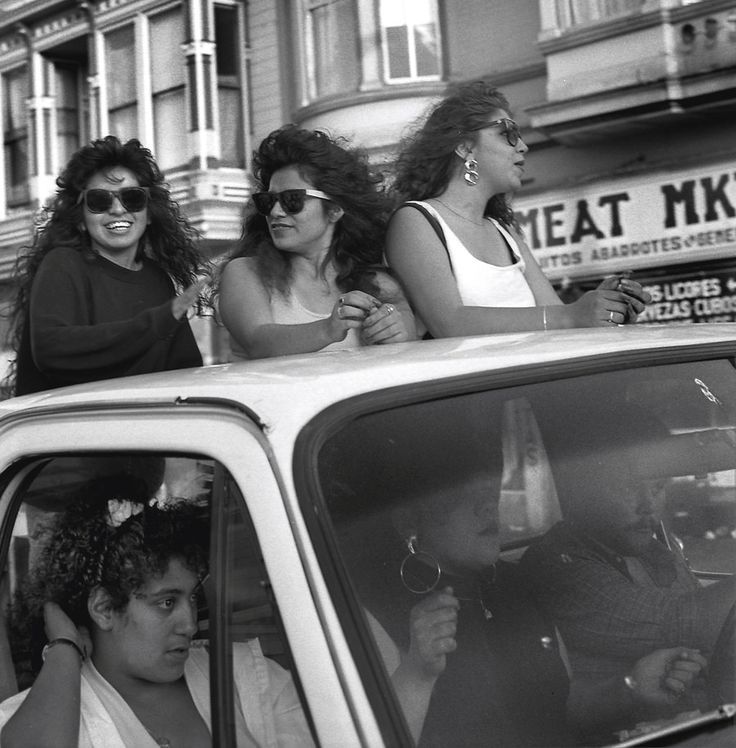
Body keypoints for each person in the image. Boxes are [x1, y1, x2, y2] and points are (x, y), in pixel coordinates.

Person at [323, 401, 705, 747]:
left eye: (491, 491)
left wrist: (629, 689)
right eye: (466, 496)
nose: (490, 508)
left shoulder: (515, 584)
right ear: (409, 519)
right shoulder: (370, 612)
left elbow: (558, 707)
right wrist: (416, 674)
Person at [0, 476, 313, 747]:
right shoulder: (50, 716)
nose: (190, 625)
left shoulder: (246, 679)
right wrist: (63, 650)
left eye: (192, 598)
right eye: (167, 602)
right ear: (104, 608)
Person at [385, 80, 651, 338]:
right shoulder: (416, 220)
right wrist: (572, 315)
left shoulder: (505, 231)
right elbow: (450, 322)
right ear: (465, 147)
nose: (523, 145)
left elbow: (557, 317)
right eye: (508, 134)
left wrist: (601, 307)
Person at [519, 410, 736, 701]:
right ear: (584, 489)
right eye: (627, 487)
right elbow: (684, 621)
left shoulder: (652, 546)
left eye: (658, 487)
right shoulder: (558, 566)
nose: (648, 505)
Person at [6, 136, 207, 397]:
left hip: (142, 427)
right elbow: (52, 351)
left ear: (148, 214)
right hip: (69, 431)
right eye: (99, 201)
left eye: (132, 198)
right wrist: (155, 324)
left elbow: (185, 370)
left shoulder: (158, 279)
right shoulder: (63, 264)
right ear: (80, 219)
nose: (117, 209)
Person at [218, 125, 416, 359]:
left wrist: (394, 333)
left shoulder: (380, 286)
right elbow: (258, 342)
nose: (276, 211)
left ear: (334, 210)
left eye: (292, 200)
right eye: (267, 201)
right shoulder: (245, 272)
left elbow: (408, 355)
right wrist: (328, 329)